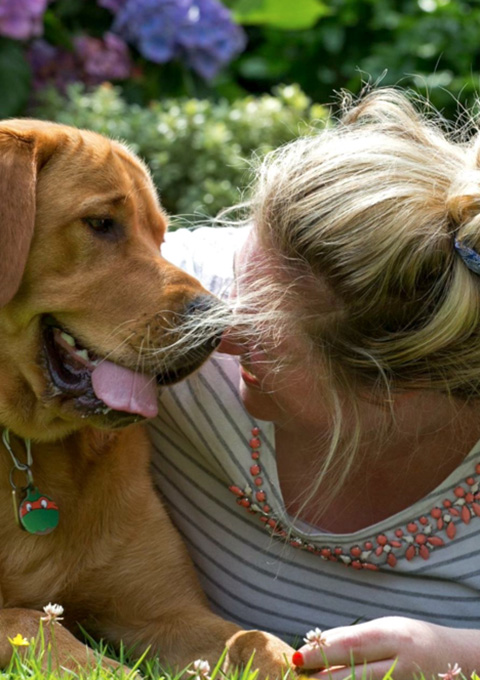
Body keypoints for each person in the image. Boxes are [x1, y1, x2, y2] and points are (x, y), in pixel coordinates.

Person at [149, 88, 480, 679]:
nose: (212, 334)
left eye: (262, 334)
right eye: (232, 281)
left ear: (390, 387)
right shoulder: (165, 310)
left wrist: (461, 655)